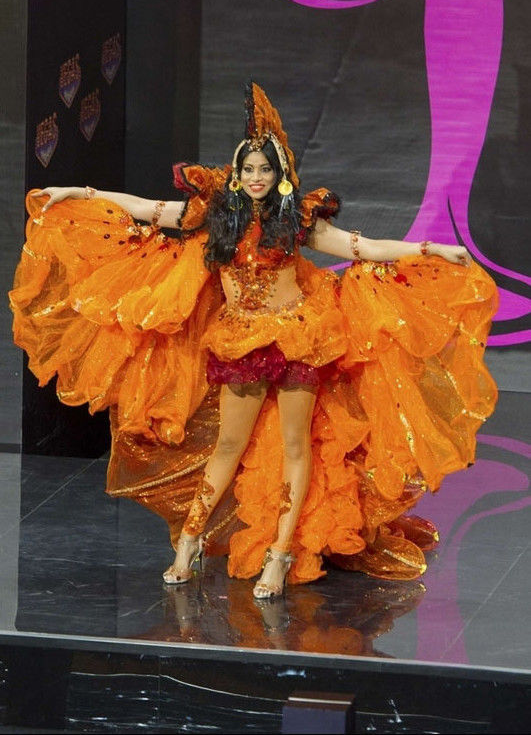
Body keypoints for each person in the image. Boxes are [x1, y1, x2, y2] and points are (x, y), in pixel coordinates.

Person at [9, 83, 498, 599]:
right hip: (240, 341)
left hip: (296, 342)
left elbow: (366, 247)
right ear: (237, 175)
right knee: (228, 445)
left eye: (265, 170)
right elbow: (146, 209)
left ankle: (279, 555)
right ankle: (189, 543)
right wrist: (78, 194)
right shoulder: (216, 216)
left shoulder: (298, 221)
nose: (257, 178)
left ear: (279, 175)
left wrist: (432, 248)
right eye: (249, 170)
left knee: (294, 446)